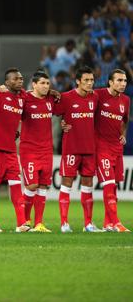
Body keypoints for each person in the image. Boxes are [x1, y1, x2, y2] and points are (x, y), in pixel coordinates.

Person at [53, 65, 99, 233]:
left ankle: (88, 224)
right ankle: (64, 223)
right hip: (71, 149)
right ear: (78, 81)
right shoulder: (66, 97)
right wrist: (63, 123)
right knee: (67, 185)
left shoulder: (95, 98)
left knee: (88, 185)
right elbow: (53, 111)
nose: (89, 83)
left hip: (89, 149)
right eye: (86, 80)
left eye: (92, 80)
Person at [0, 68, 28, 232]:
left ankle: (21, 223)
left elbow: (36, 94)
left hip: (10, 150)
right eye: (16, 79)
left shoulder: (23, 96)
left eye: (21, 78)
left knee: (16, 184)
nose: (20, 81)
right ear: (7, 82)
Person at [19, 71, 57, 233]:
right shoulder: (25, 99)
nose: (45, 86)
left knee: (43, 186)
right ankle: (24, 221)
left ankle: (39, 223)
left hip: (47, 149)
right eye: (42, 83)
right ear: (34, 84)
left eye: (47, 84)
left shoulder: (51, 99)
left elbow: (67, 110)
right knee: (32, 185)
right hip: (29, 149)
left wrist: (66, 124)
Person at [94, 69, 130, 232]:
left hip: (117, 147)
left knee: (114, 186)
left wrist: (123, 134)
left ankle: (107, 223)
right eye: (119, 80)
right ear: (110, 82)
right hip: (101, 147)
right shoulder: (98, 95)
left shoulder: (126, 100)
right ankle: (116, 222)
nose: (122, 84)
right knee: (108, 184)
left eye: (124, 81)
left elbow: (125, 120)